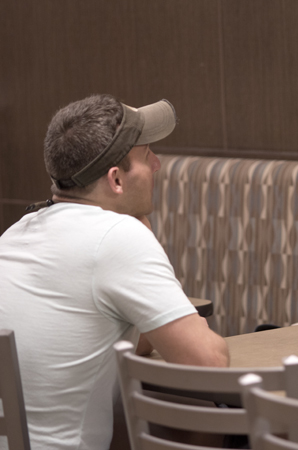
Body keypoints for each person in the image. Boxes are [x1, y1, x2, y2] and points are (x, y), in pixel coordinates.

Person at [0, 94, 229, 450]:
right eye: (146, 155)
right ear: (116, 180)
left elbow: (113, 346)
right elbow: (210, 366)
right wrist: (144, 239)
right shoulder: (117, 237)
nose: (157, 164)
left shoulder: (16, 232)